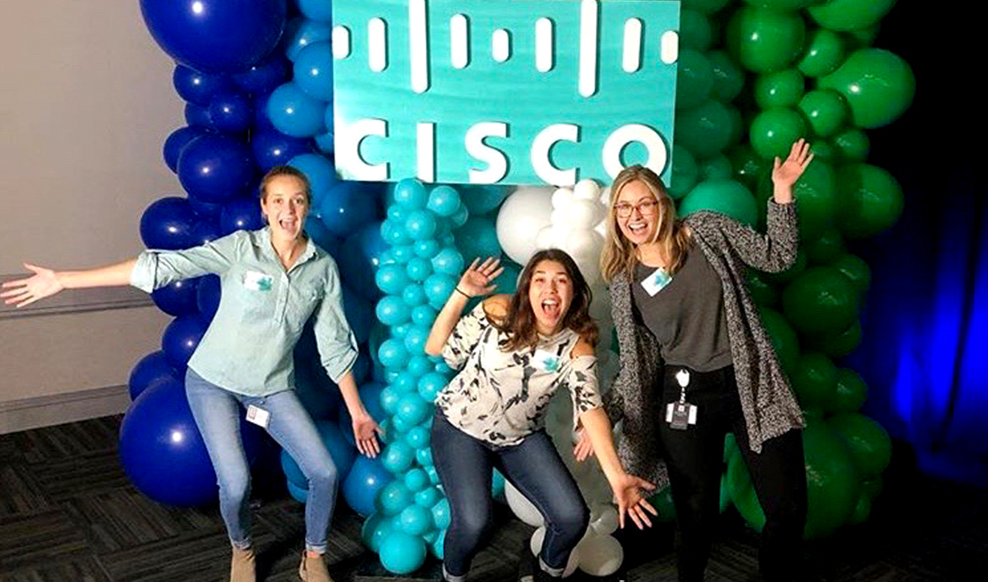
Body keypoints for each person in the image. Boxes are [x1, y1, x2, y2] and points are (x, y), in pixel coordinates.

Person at [1, 166, 382, 582]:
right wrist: (65, 280)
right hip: (213, 381)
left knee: (324, 471)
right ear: (264, 207)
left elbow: (335, 345)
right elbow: (164, 266)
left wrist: (358, 411)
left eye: (297, 200)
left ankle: (313, 557)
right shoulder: (240, 249)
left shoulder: (321, 268)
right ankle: (242, 549)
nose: (288, 210)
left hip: (270, 388)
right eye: (278, 200)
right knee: (235, 484)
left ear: (307, 206)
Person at [576, 139, 815, 582]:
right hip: (685, 395)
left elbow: (777, 257)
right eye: (624, 208)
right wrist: (604, 414)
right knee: (695, 513)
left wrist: (782, 192)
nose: (634, 216)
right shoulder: (625, 278)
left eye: (643, 203)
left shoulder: (706, 229)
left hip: (750, 383)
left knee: (787, 507)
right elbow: (636, 362)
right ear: (615, 218)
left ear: (661, 204)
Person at [424, 249, 658, 582]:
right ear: (527, 289)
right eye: (541, 280)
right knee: (474, 523)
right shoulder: (499, 310)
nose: (550, 289)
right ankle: (453, 576)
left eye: (561, 281)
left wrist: (618, 477)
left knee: (571, 518)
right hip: (459, 429)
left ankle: (544, 575)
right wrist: (462, 294)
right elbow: (439, 350)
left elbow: (590, 407)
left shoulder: (577, 344)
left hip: (520, 438)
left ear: (573, 293)